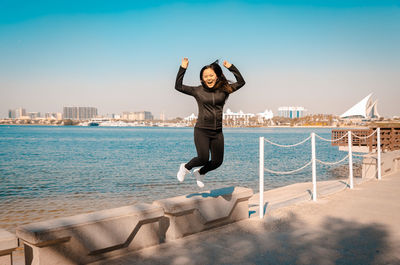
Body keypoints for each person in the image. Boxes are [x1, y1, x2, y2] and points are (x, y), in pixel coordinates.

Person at [175, 58, 246, 187]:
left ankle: (200, 173)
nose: (209, 78)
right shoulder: (197, 91)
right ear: (202, 78)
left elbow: (241, 82)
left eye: (211, 75)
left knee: (217, 161)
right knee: (203, 158)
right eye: (205, 76)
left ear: (217, 76)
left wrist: (231, 67)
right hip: (202, 130)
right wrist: (183, 68)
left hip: (217, 132)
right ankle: (185, 167)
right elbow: (178, 86)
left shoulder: (225, 89)